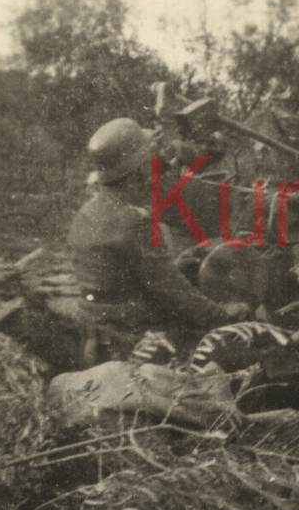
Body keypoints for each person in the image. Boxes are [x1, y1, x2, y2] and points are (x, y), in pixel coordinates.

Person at [69, 118, 250, 364]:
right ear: (139, 170)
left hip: (97, 333)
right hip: (133, 340)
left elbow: (125, 279)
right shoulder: (134, 222)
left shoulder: (86, 213)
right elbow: (174, 293)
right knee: (242, 349)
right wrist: (222, 316)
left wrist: (179, 262)